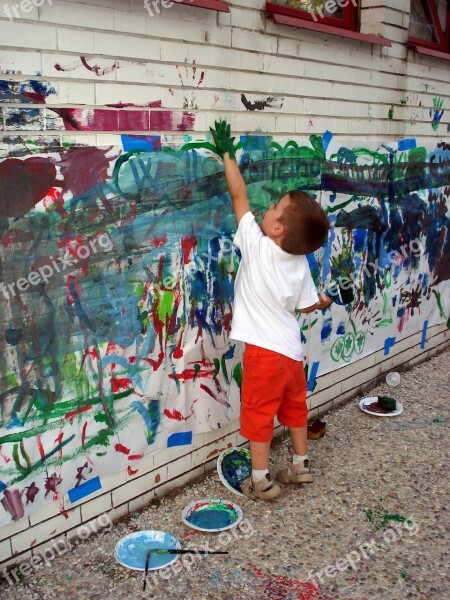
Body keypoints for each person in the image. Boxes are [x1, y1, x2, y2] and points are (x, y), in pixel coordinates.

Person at [210, 120, 333, 500]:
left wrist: (227, 155)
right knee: (296, 408)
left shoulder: (257, 245)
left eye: (276, 207)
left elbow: (238, 196)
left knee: (259, 416)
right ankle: (300, 466)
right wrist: (324, 301)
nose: (269, 206)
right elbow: (309, 305)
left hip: (264, 355)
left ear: (278, 230)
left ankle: (261, 480)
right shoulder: (300, 263)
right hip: (291, 354)